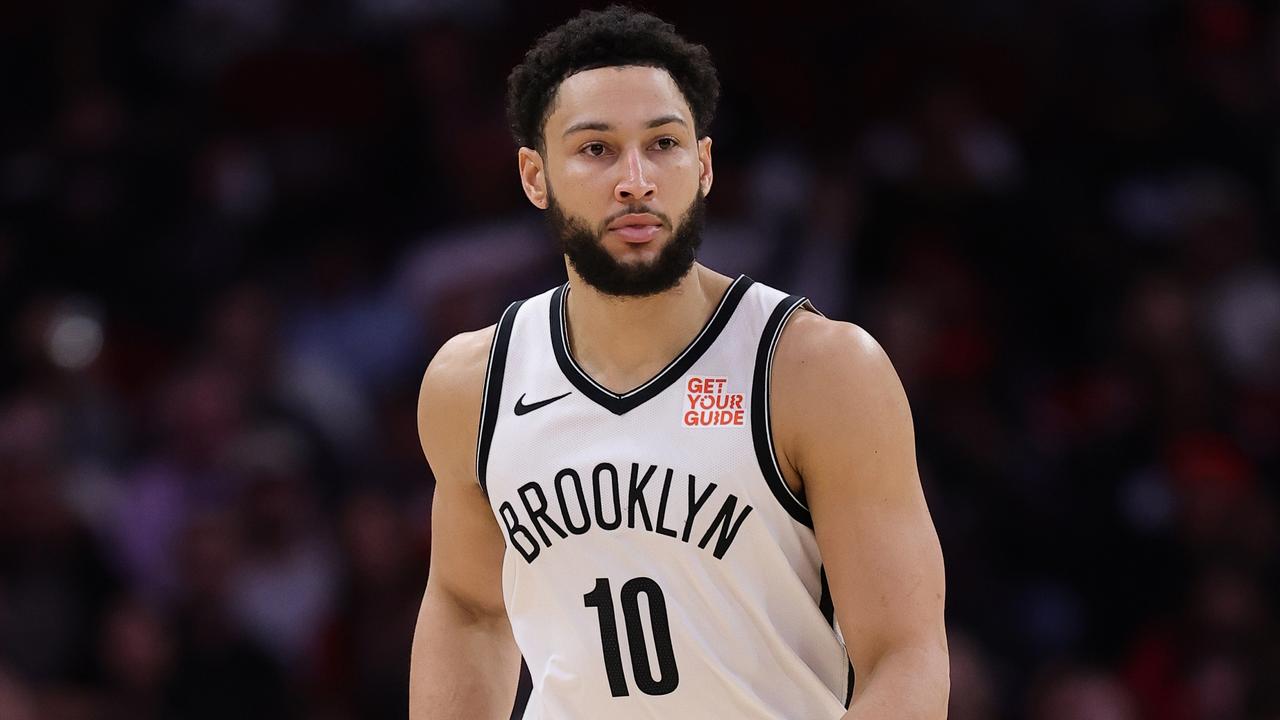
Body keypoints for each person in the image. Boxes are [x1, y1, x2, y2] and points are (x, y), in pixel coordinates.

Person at [409, 6, 948, 719]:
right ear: (535, 176)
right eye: (596, 149)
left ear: (705, 164)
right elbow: (469, 608)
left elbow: (904, 657)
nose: (636, 179)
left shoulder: (816, 371)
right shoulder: (472, 383)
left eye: (663, 143)